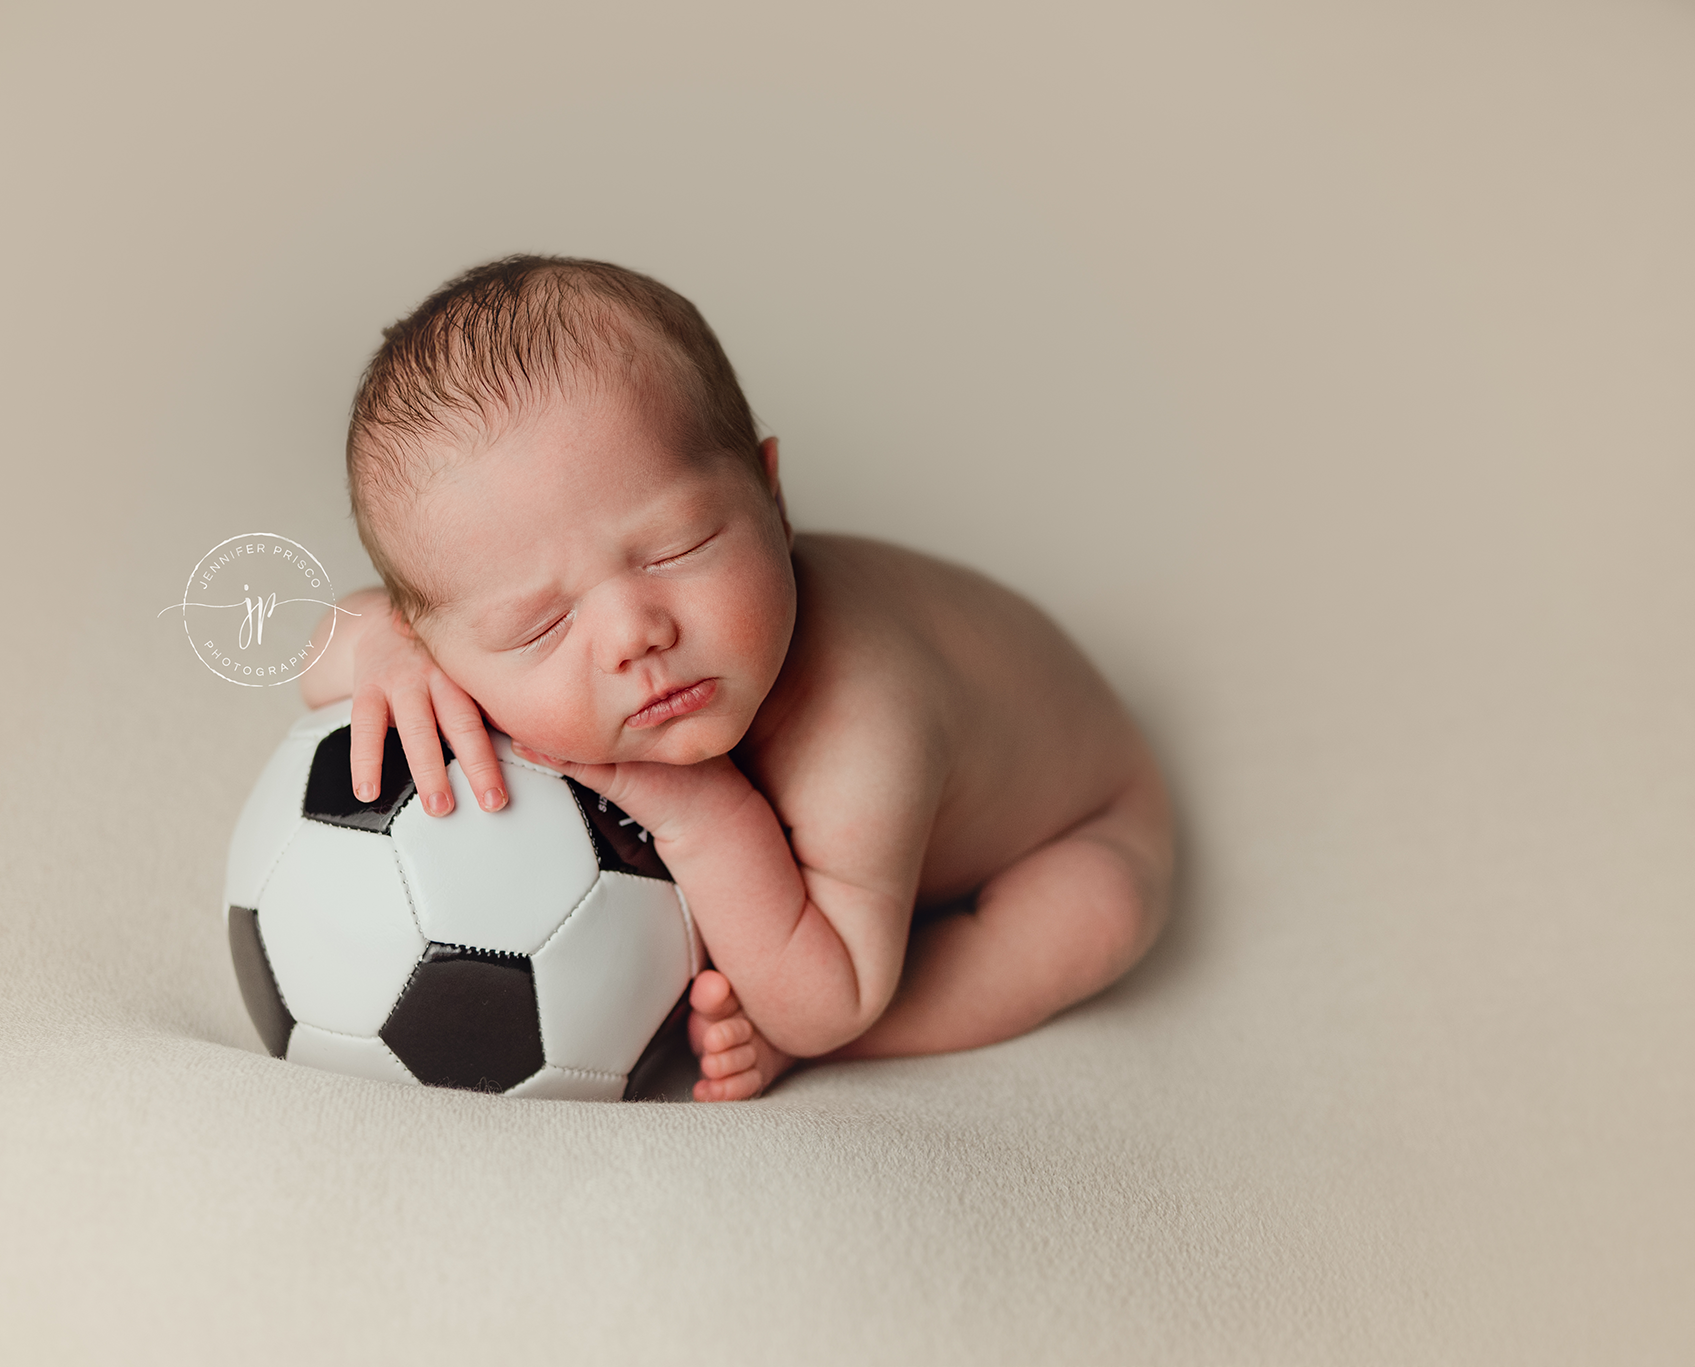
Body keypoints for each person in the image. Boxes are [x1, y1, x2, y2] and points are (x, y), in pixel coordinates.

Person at [302, 255, 1172, 1101]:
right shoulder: (445, 633)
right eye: (541, 624)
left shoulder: (861, 726)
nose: (634, 635)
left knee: (1103, 909)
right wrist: (382, 643)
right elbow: (322, 655)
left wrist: (705, 817)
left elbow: (833, 996)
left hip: (1075, 825)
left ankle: (877, 1042)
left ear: (772, 500)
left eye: (678, 549)